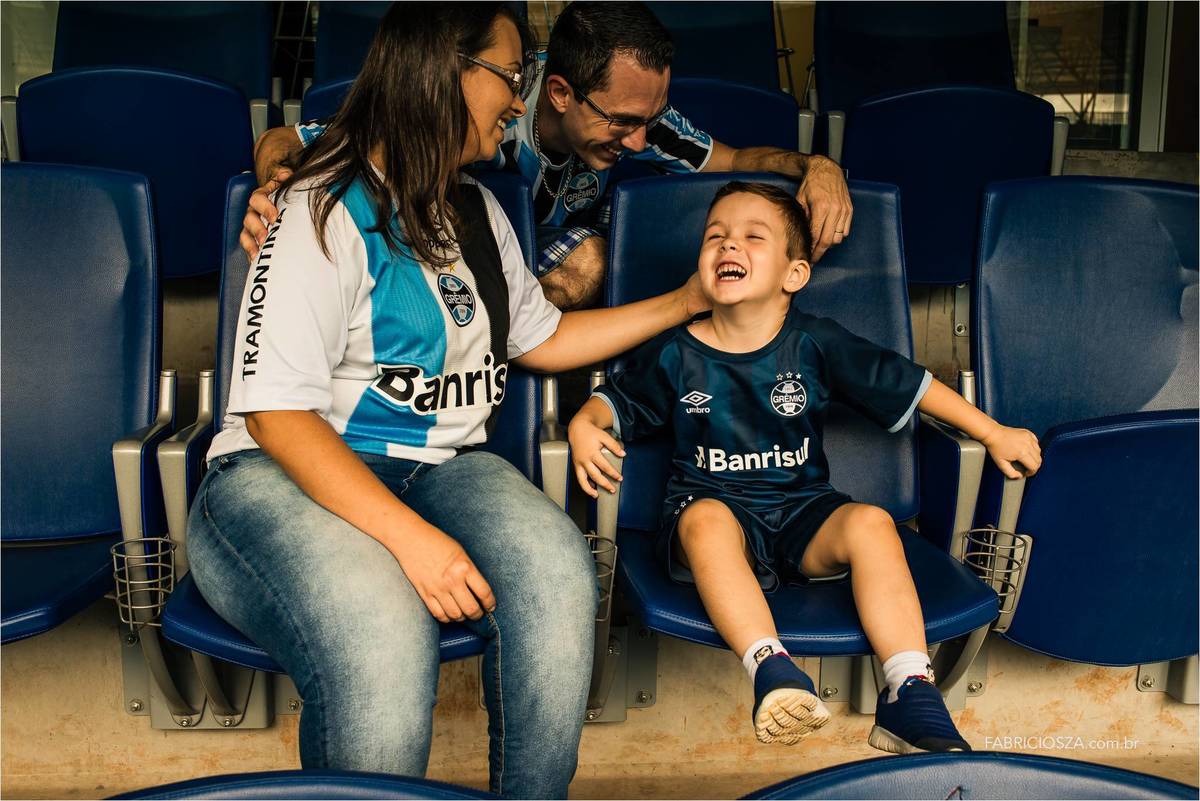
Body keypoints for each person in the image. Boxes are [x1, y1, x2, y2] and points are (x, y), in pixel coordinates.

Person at [187, 5, 706, 798]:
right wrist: (414, 544)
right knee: (380, 625)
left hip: (438, 468)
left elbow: (543, 339)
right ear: (442, 72)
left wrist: (688, 298)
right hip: (273, 475)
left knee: (559, 572)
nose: (518, 97)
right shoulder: (317, 208)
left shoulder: (482, 212)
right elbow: (278, 417)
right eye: (509, 75)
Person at [567, 181, 1042, 752]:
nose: (728, 246)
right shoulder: (675, 352)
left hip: (803, 511)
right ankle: (772, 670)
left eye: (752, 237)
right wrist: (581, 425)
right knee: (704, 521)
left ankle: (908, 692)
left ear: (794, 275)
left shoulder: (815, 343)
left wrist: (991, 431)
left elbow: (912, 386)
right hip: (715, 514)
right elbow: (612, 404)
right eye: (715, 236)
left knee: (870, 522)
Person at [244, 1, 853, 311]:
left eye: (649, 121)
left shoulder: (640, 119)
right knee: (587, 257)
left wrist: (817, 167)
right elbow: (292, 139)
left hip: (535, 288)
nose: (641, 143)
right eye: (622, 123)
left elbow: (740, 157)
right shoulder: (477, 114)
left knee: (604, 251)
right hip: (452, 283)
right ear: (558, 94)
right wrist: (277, 185)